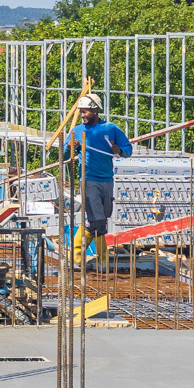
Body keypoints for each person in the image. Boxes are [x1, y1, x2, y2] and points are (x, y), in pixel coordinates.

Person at [65, 93, 132, 263]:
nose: (82, 115)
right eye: (80, 112)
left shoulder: (110, 128)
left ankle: (99, 259)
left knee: (102, 219)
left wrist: (120, 151)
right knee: (97, 218)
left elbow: (128, 149)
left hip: (107, 179)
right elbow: (65, 153)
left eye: (85, 112)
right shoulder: (77, 131)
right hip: (88, 179)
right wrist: (70, 147)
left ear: (95, 110)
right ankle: (78, 256)